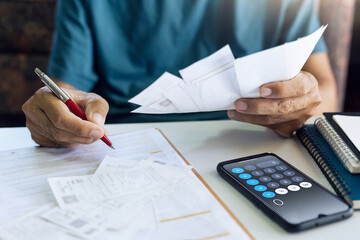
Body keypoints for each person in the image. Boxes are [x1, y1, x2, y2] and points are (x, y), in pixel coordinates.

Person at [22, 0, 337, 147]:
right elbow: (67, 94)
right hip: (124, 144)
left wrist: (300, 105)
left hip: (254, 140)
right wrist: (55, 119)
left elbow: (324, 89)